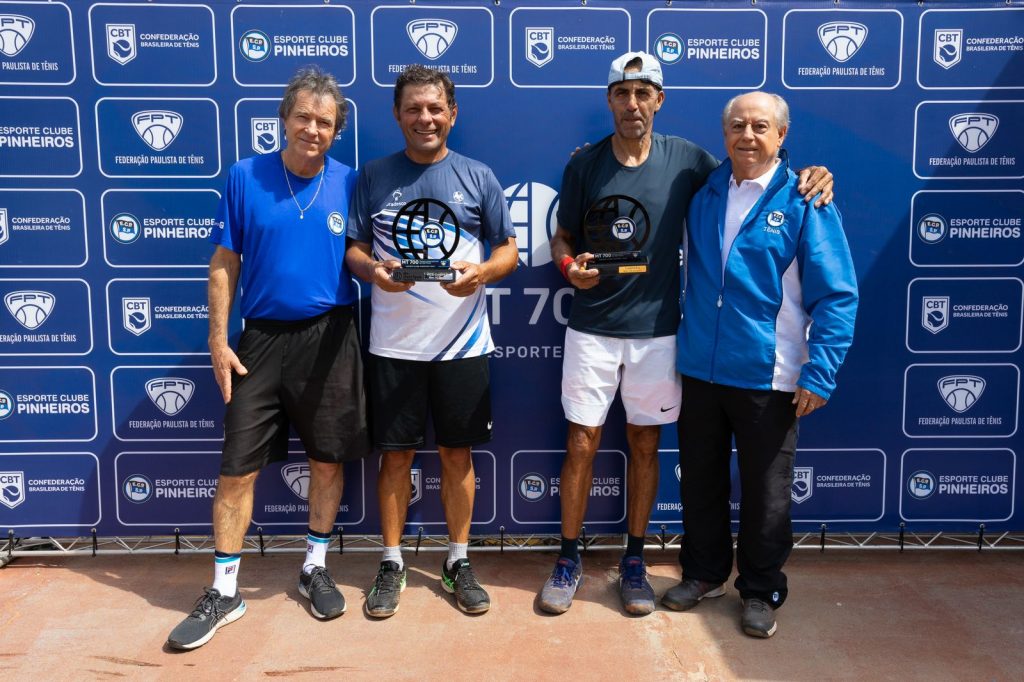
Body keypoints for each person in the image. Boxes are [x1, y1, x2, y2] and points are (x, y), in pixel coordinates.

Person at [540, 52, 835, 616]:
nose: (633, 104)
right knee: (582, 443)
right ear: (609, 100)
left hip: (660, 334)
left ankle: (635, 561)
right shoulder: (585, 165)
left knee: (647, 445)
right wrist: (568, 266)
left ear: (659, 100)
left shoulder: (691, 162)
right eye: (622, 93)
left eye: (643, 93)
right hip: (593, 329)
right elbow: (563, 236)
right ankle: (568, 557)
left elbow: (755, 170)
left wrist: (811, 172)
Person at [167, 65, 371, 650]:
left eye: (325, 122)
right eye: (303, 117)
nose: (313, 129)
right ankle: (225, 591)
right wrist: (218, 340)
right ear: (284, 119)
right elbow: (224, 262)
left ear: (336, 131)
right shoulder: (244, 176)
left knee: (327, 461)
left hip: (331, 335)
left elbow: (361, 256)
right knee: (236, 469)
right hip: (259, 340)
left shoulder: (351, 182)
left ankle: (314, 568)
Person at [666, 91, 858, 638]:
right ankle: (704, 574)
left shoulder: (806, 200)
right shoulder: (704, 190)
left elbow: (837, 296)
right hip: (701, 371)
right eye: (736, 126)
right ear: (723, 133)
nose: (746, 136)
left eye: (759, 126)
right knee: (700, 484)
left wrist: (819, 372)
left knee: (767, 496)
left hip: (770, 377)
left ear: (781, 136)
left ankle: (760, 590)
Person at [346, 65, 518, 618]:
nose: (425, 118)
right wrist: (374, 272)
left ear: (452, 113)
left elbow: (508, 249)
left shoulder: (478, 175)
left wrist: (483, 272)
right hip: (394, 347)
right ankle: (392, 561)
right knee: (395, 457)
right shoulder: (373, 176)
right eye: (414, 109)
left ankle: (457, 560)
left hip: (461, 347)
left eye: (435, 108)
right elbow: (354, 250)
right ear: (397, 115)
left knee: (456, 454)